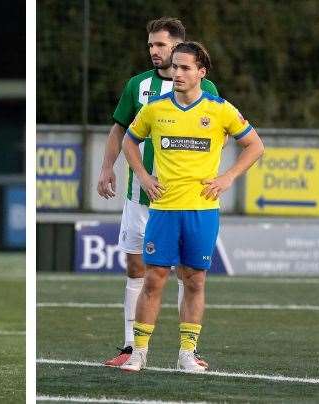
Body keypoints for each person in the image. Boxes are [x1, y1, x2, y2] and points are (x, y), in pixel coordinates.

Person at [119, 41, 264, 372]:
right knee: (154, 278)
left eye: (185, 68)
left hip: (202, 210)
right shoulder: (155, 108)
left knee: (195, 280)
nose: (177, 73)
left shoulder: (220, 109)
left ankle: (187, 354)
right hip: (164, 210)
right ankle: (139, 352)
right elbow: (129, 140)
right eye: (175, 67)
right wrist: (142, 175)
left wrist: (228, 177)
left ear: (201, 72)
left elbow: (255, 146)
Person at [100, 17, 218, 368]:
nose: (154, 51)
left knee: (188, 272)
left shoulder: (204, 90)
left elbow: (216, 132)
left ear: (178, 46)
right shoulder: (138, 86)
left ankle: (188, 351)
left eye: (161, 45)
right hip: (142, 195)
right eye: (150, 45)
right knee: (137, 266)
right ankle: (129, 348)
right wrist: (107, 167)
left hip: (184, 200)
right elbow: (119, 131)